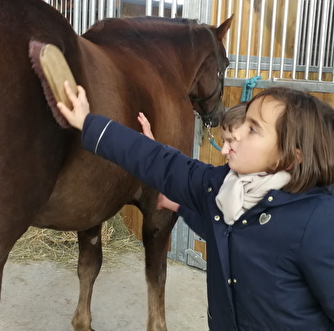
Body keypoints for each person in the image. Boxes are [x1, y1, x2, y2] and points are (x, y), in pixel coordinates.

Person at [57, 82, 334, 331]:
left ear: (290, 157)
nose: (237, 133)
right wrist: (88, 122)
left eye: (253, 129)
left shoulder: (319, 222)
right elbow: (162, 163)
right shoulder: (221, 185)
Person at [137, 103, 247, 239]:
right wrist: (155, 151)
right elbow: (186, 173)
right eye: (224, 141)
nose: (223, 151)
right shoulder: (225, 178)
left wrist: (179, 207)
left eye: (231, 142)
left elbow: (222, 235)